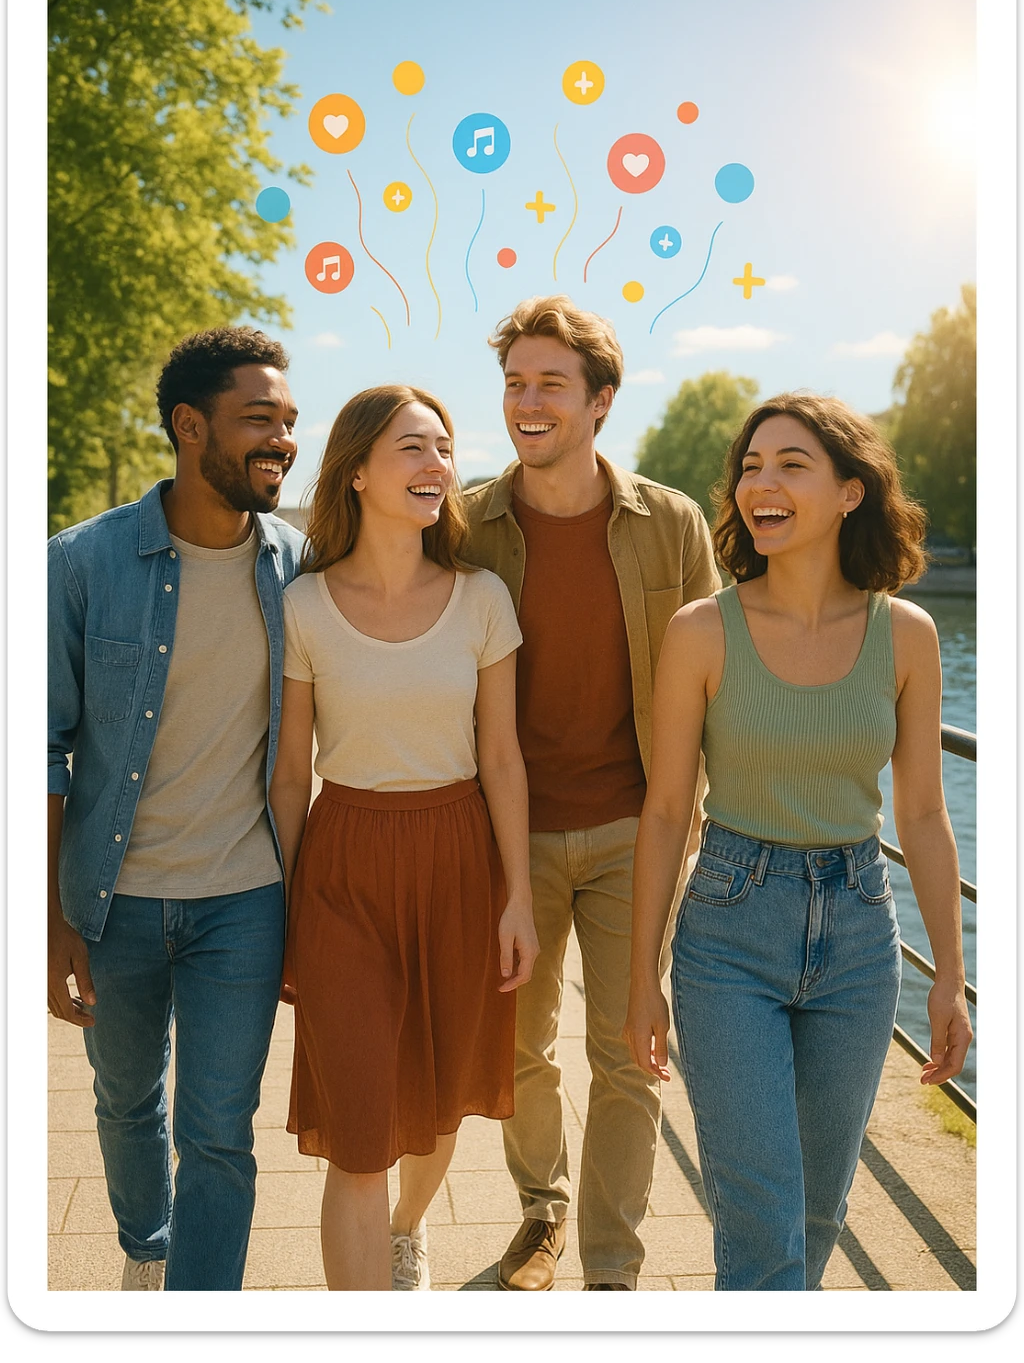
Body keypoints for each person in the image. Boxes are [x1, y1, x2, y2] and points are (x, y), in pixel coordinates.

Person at [625, 391, 973, 1291]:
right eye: (750, 467)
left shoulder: (907, 635)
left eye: (790, 464)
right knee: (763, 1220)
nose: (760, 484)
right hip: (728, 932)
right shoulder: (702, 631)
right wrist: (640, 978)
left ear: (851, 492)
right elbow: (667, 812)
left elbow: (924, 815)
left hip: (860, 937)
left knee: (818, 1211)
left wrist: (949, 976)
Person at [464, 295, 720, 1292]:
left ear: (600, 400)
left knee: (629, 1052)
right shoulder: (468, 523)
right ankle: (543, 1212)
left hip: (636, 829)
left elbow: (714, 677)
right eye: (514, 383)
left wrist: (702, 822)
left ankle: (612, 1267)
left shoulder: (672, 523)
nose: (526, 403)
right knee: (517, 1050)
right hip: (510, 835)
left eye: (550, 385)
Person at [47, 326, 306, 1292]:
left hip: (244, 898)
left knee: (220, 1131)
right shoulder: (81, 564)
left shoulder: (299, 566)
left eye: (289, 420)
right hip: (111, 899)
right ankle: (146, 1250)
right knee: (125, 1105)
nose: (283, 439)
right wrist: (49, 921)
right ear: (190, 426)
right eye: (259, 419)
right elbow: (41, 746)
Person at [269, 384, 539, 1292]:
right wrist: (284, 909)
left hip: (459, 860)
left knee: (439, 1097)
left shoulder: (482, 598)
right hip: (342, 869)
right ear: (356, 473)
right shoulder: (304, 607)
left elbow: (502, 759)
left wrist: (518, 900)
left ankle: (407, 1230)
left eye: (444, 448)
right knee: (358, 1130)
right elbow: (289, 775)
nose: (438, 466)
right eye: (414, 448)